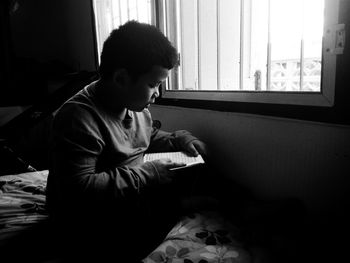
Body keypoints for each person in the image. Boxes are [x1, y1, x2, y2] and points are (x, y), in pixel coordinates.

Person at [46, 20, 207, 262]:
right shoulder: (77, 118)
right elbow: (79, 191)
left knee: (202, 174)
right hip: (87, 216)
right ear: (121, 78)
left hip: (130, 195)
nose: (157, 93)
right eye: (153, 84)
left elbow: (145, 137)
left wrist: (178, 139)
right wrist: (148, 174)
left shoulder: (136, 106)